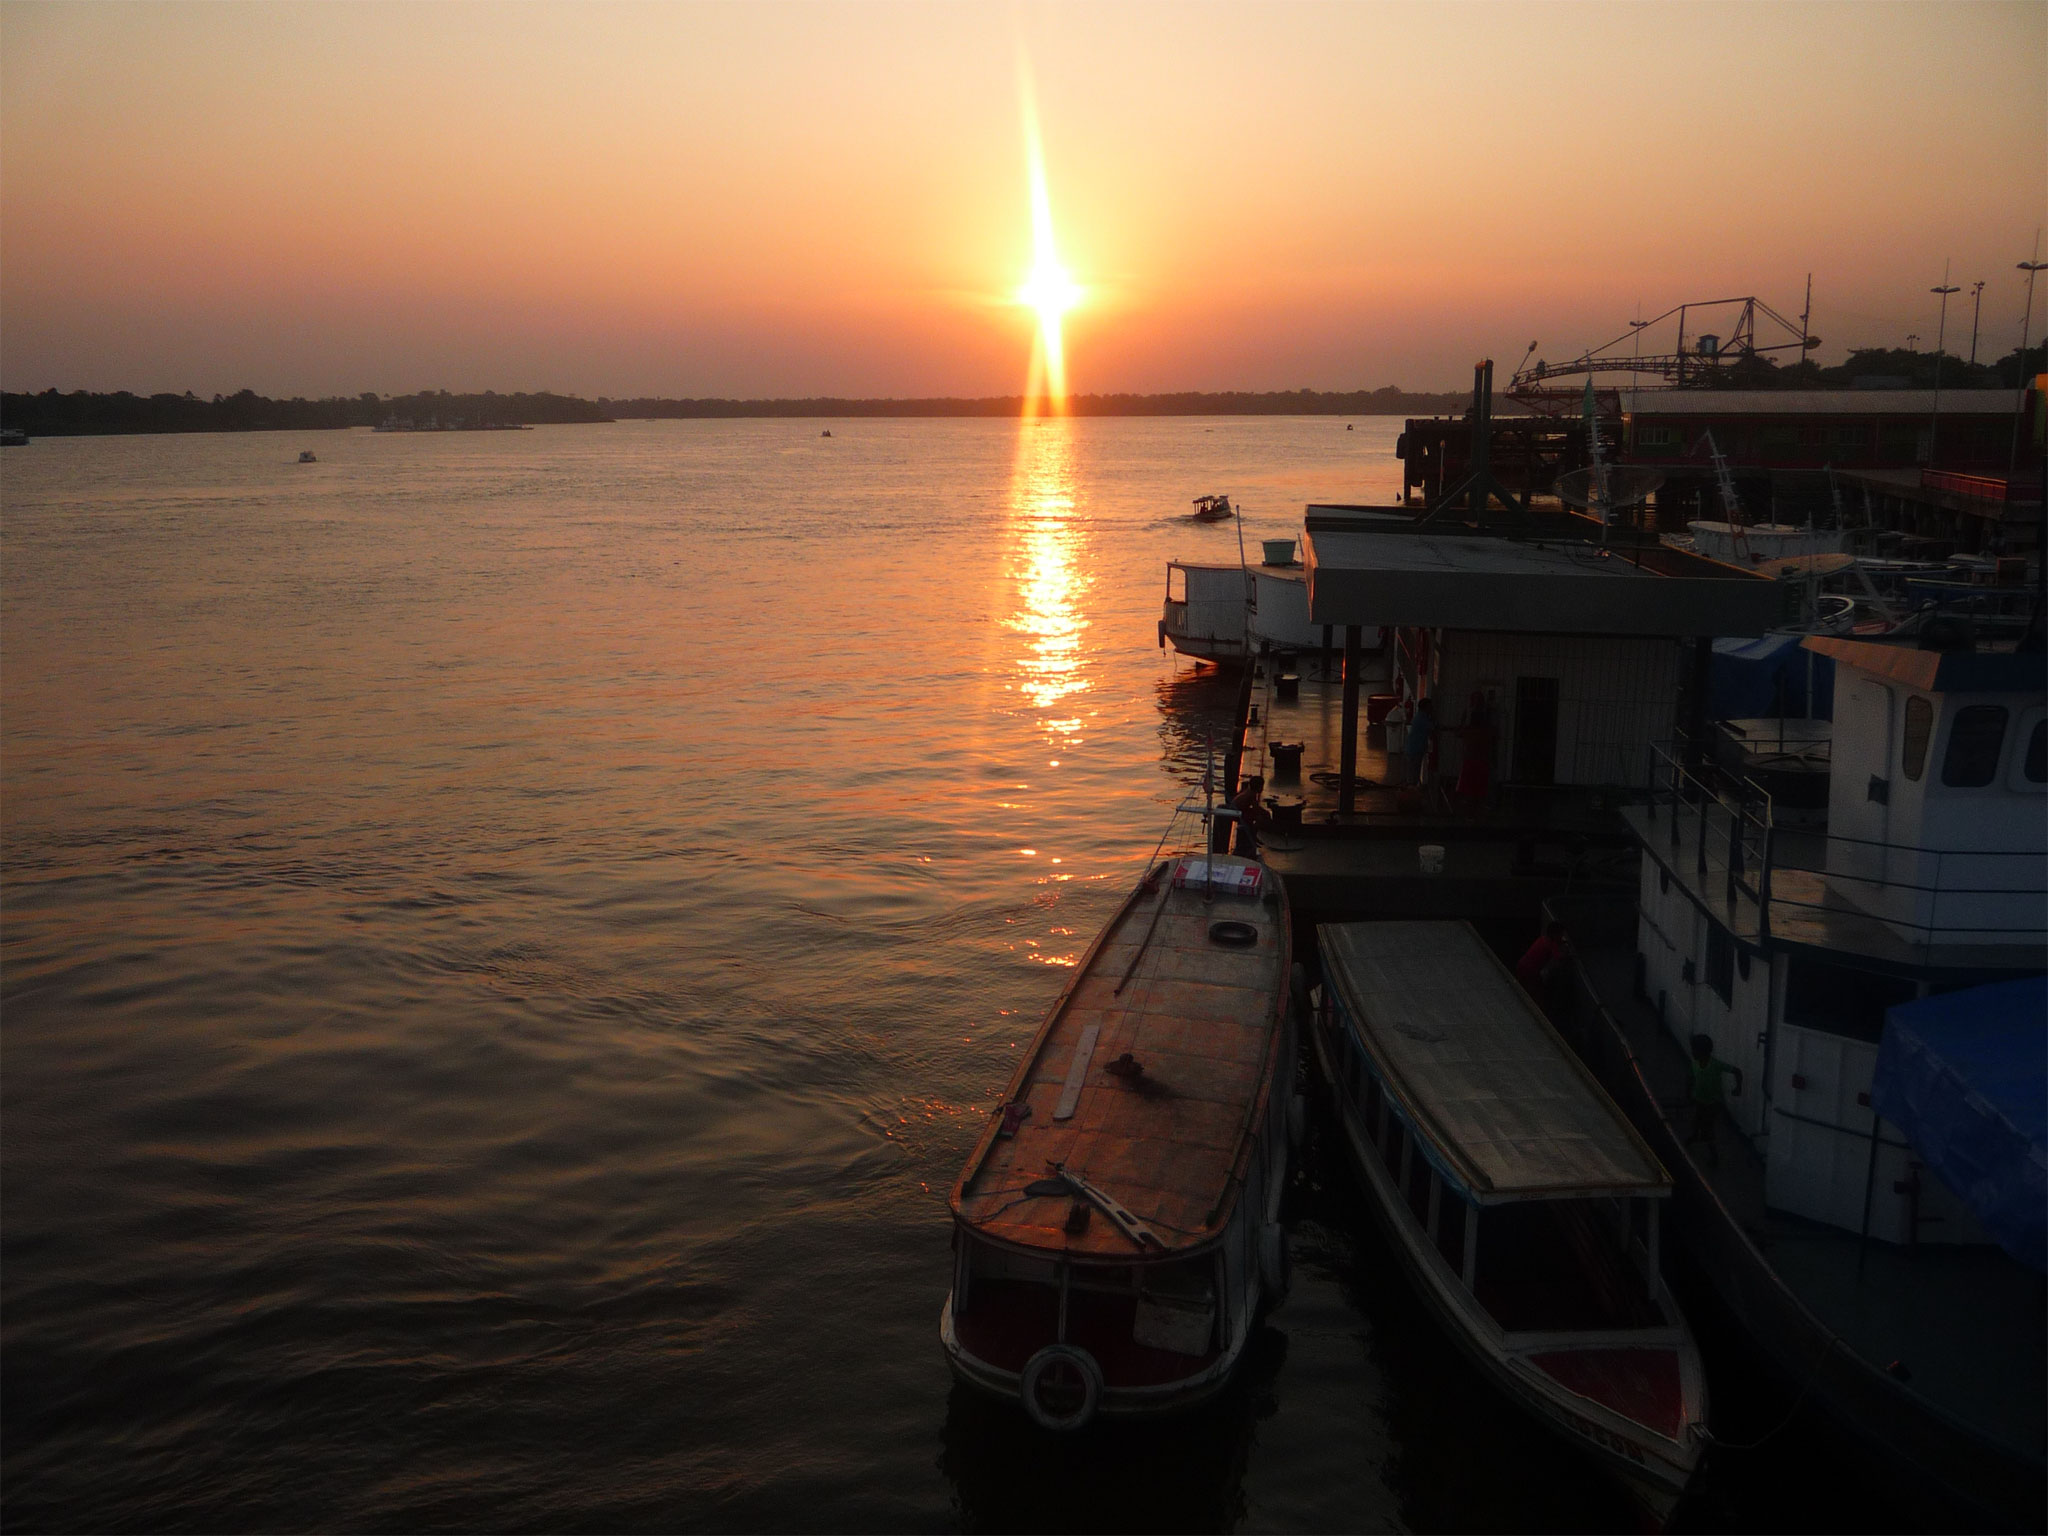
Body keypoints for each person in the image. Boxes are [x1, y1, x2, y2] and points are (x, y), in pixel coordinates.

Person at [1685, 1034, 1743, 1166]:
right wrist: (1688, 1093)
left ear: (1703, 1052)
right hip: (1700, 1100)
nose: (1692, 1052)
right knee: (1697, 1121)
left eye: (1694, 1050)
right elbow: (1690, 1078)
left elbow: (1737, 1071)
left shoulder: (1715, 1065)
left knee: (1707, 1127)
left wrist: (1738, 1088)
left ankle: (1713, 1156)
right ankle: (1695, 1136)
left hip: (1714, 1103)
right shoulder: (1695, 1063)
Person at [1515, 920, 1570, 1013]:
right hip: (1529, 972)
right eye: (1560, 934)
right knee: (1537, 999)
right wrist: (1565, 949)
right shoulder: (1550, 944)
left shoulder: (1542, 939)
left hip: (1523, 966)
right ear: (1554, 935)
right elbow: (1560, 958)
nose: (1561, 937)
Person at [1455, 691, 1493, 809]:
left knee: (1471, 777)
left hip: (1473, 754)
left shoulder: (1471, 726)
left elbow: (1459, 733)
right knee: (1478, 777)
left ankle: (1470, 799)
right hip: (1479, 755)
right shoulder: (1485, 725)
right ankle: (1477, 799)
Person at [1230, 775, 1266, 857]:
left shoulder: (1250, 792)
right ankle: (1253, 837)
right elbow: (1256, 808)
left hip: (1239, 810)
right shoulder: (1251, 794)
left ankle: (1253, 836)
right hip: (1236, 813)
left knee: (1254, 815)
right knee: (1258, 818)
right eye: (1262, 786)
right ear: (1258, 787)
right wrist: (1265, 813)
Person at [1404, 696, 1435, 786]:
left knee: (1413, 771)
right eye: (1430, 707)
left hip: (1414, 748)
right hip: (1415, 748)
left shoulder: (1420, 717)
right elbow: (1432, 727)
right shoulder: (1422, 718)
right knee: (1414, 772)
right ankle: (1411, 788)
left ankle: (1411, 787)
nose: (1431, 709)